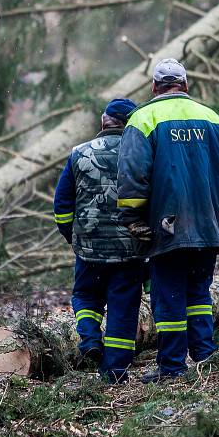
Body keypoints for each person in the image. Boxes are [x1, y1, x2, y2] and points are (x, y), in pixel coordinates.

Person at [117, 58, 219, 384]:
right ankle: (204, 355)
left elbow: (132, 175)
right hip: (208, 222)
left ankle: (172, 367)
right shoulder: (213, 118)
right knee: (199, 291)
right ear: (186, 86)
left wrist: (132, 216)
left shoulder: (143, 118)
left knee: (169, 295)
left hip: (167, 224)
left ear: (154, 87)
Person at [53, 98, 144, 384]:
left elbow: (62, 203)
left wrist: (74, 236)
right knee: (123, 307)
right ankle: (115, 371)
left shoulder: (78, 154)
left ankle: (90, 339)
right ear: (130, 123)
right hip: (129, 248)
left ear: (104, 121)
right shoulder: (141, 155)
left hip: (89, 248)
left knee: (85, 296)